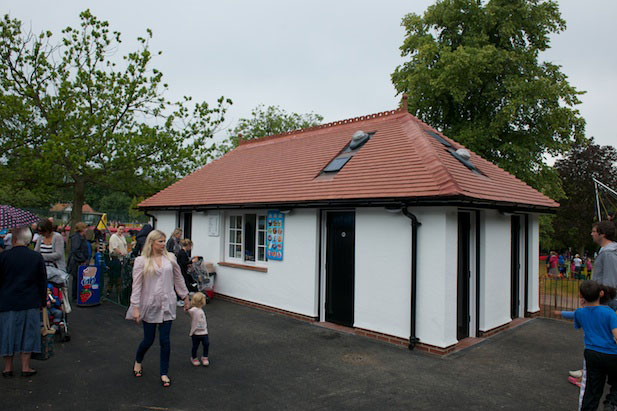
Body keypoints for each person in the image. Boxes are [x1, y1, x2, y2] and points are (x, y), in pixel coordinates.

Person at [126, 230, 189, 388]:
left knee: (165, 340)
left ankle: (164, 372)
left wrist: (185, 297)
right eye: (160, 241)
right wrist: (135, 307)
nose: (163, 244)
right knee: (148, 340)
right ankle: (138, 361)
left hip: (167, 304)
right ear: (151, 242)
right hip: (150, 304)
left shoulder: (171, 258)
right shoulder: (142, 261)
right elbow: (137, 286)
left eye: (164, 241)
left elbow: (178, 278)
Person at [560, 281, 617, 411]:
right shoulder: (610, 313)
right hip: (612, 354)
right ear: (601, 293)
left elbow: (576, 318)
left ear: (581, 296)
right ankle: (611, 403)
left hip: (592, 354)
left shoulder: (581, 312)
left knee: (592, 389)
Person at [0, 226, 47, 377]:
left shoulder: (4, 257)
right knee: (28, 333)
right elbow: (42, 281)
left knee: (7, 334)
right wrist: (43, 302)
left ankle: (8, 367)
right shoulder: (36, 257)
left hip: (7, 301)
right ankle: (25, 367)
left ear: (13, 240)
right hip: (30, 300)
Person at [591, 221, 617, 310]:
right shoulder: (604, 251)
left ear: (602, 234)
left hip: (605, 300)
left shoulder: (608, 254)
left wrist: (600, 299)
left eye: (594, 231)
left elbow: (610, 281)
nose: (592, 234)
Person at [67, 222, 90, 300]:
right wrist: (83, 259)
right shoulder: (77, 238)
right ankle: (75, 296)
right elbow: (75, 250)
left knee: (78, 279)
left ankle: (77, 295)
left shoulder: (81, 237)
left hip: (78, 261)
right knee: (76, 279)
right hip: (76, 262)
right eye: (85, 228)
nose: (86, 230)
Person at [186, 292, 209, 367]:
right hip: (196, 333)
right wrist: (186, 308)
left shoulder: (200, 309)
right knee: (195, 346)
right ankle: (194, 357)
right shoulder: (194, 310)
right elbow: (187, 312)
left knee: (206, 344)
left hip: (204, 332)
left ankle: (205, 357)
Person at [107, 225, 128, 298]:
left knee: (119, 276)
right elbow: (115, 247)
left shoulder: (123, 237)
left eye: (122, 229)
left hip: (122, 259)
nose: (121, 231)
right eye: (120, 229)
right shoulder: (113, 237)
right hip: (115, 259)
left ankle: (118, 291)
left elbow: (124, 245)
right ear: (117, 229)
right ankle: (109, 291)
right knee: (113, 276)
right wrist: (121, 253)